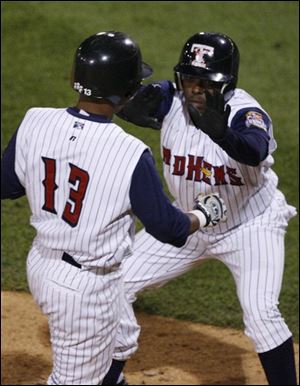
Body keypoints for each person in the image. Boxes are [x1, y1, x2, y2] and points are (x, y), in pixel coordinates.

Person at [1, 31, 227, 385]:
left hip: (42, 263)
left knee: (121, 339)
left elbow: (7, 185)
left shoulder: (34, 120)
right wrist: (203, 214)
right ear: (129, 91)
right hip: (84, 287)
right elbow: (168, 228)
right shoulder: (128, 152)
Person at [102, 32, 298, 385]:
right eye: (189, 78)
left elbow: (254, 149)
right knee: (112, 284)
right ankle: (110, 377)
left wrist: (223, 134)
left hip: (250, 226)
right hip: (189, 222)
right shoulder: (169, 100)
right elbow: (131, 102)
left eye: (205, 82)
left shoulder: (247, 114)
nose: (194, 88)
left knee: (262, 316)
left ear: (226, 83)